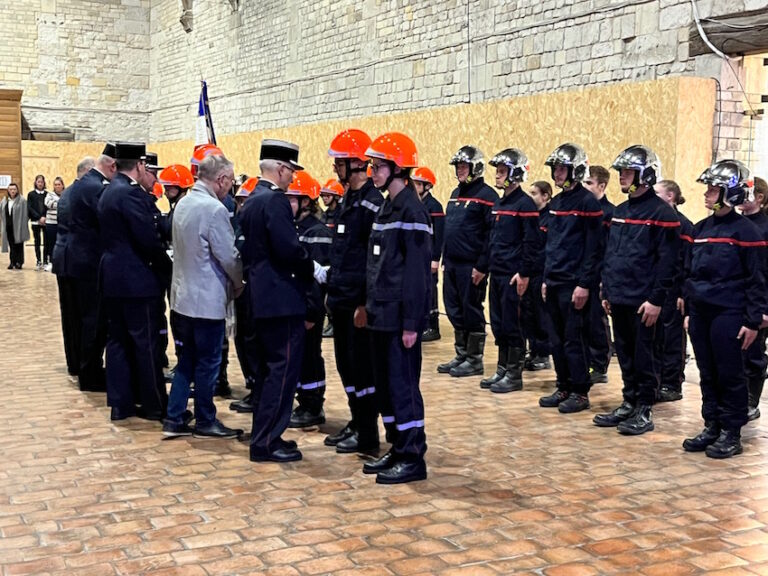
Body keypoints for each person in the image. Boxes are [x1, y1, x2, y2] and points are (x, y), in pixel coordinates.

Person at [683, 159, 767, 458]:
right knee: (707, 372)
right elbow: (691, 273)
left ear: (730, 193)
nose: (706, 193)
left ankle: (732, 431)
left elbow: (757, 280)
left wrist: (753, 321)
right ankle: (712, 425)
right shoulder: (701, 228)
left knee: (729, 373)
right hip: (702, 312)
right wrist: (690, 311)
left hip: (730, 313)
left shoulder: (747, 232)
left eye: (713, 188)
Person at [595, 146, 680, 435]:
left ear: (645, 175)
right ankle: (629, 401)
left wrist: (656, 300)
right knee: (626, 354)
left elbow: (667, 263)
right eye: (621, 172)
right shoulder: (620, 211)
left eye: (628, 172)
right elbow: (612, 254)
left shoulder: (662, 213)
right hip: (619, 296)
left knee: (646, 356)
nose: (622, 177)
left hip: (645, 301)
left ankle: (644, 408)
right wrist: (607, 291)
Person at [240, 139, 315, 463]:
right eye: (291, 172)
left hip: (260, 296)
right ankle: (266, 441)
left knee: (270, 371)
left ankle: (266, 435)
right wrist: (311, 264)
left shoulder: (252, 200)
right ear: (281, 169)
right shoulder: (275, 202)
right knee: (282, 372)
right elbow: (288, 249)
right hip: (281, 298)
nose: (292, 178)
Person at [362, 132, 431, 484]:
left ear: (398, 168)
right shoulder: (386, 206)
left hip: (398, 318)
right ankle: (396, 445)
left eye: (378, 166)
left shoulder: (412, 210)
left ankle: (412, 455)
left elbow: (417, 276)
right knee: (386, 388)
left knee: (403, 386)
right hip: (379, 313)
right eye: (372, 166)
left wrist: (411, 324)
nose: (372, 172)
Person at [163, 153, 244, 438]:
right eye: (231, 182)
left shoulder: (183, 203)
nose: (230, 187)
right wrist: (239, 283)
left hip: (182, 298)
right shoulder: (214, 209)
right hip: (206, 301)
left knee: (187, 359)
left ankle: (174, 416)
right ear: (221, 179)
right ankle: (206, 419)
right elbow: (228, 256)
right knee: (209, 362)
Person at [97, 142, 169, 421]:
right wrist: (168, 268)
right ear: (139, 165)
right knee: (145, 343)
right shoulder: (130, 195)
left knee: (117, 341)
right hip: (136, 280)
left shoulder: (109, 191)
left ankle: (120, 402)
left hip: (114, 278)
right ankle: (153, 404)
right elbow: (148, 240)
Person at [324, 129, 386, 454]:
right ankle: (356, 420)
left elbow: (371, 262)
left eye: (340, 162)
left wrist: (364, 303)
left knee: (362, 370)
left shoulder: (373, 204)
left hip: (358, 304)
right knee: (346, 367)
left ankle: (367, 429)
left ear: (356, 164)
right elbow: (341, 253)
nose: (335, 168)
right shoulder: (348, 198)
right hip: (341, 299)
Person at [538, 143, 603, 413]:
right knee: (555, 339)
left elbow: (594, 249)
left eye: (563, 169)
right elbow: (552, 244)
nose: (558, 174)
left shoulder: (587, 202)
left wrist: (584, 284)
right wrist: (544, 278)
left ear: (575, 170)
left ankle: (579, 390)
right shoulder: (557, 202)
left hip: (574, 284)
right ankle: (563, 384)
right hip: (553, 280)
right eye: (556, 169)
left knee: (573, 339)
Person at [480, 149, 540, 394]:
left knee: (512, 324)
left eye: (502, 172)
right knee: (498, 324)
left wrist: (524, 273)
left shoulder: (525, 204)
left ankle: (514, 374)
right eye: (497, 171)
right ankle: (502, 368)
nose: (497, 176)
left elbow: (532, 242)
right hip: (497, 272)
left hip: (513, 276)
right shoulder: (499, 202)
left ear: (515, 174)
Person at [438, 146, 497, 377]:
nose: (460, 171)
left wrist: (482, 266)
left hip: (472, 266)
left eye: (464, 167)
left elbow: (491, 235)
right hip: (452, 264)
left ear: (476, 168)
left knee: (471, 309)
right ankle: (461, 354)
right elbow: (450, 229)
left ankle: (474, 359)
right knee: (453, 309)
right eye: (458, 167)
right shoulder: (455, 193)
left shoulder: (487, 196)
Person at [67, 144, 117, 392]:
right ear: (111, 165)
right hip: (90, 263)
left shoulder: (84, 183)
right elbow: (107, 221)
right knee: (93, 321)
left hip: (81, 260)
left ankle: (90, 370)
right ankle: (91, 375)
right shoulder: (95, 187)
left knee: (88, 319)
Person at [287, 172, 334, 429]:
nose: (288, 204)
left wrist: (311, 313)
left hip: (309, 308)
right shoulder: (295, 229)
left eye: (292, 199)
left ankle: (313, 405)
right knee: (300, 357)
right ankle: (304, 401)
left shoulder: (317, 232)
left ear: (306, 201)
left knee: (310, 357)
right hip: (295, 305)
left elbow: (319, 279)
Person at [53, 157, 95, 377]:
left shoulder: (68, 192)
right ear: (87, 172)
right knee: (84, 315)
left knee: (69, 317)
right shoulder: (85, 193)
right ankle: (84, 363)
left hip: (63, 258)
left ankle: (74, 362)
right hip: (80, 261)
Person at [655, 179, 693, 402]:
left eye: (657, 193)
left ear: (670, 196)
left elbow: (686, 262)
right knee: (655, 337)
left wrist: (682, 293)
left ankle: (672, 383)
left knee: (672, 337)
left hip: (674, 290)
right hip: (656, 289)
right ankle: (657, 379)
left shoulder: (684, 225)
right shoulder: (656, 219)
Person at [737, 176, 768, 421]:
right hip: (734, 301)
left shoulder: (764, 227)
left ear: (759, 198)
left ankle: (751, 401)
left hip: (758, 303)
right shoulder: (735, 224)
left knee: (754, 353)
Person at [582, 165, 614, 384]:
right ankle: (585, 362)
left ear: (602, 186)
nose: (585, 187)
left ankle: (599, 366)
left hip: (599, 274)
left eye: (589, 183)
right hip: (582, 273)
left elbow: (608, 247)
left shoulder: (610, 212)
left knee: (596, 322)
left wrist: (604, 278)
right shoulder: (583, 208)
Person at [412, 167, 444, 342]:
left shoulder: (434, 206)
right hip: (418, 257)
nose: (414, 186)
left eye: (418, 184)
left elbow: (439, 235)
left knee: (430, 291)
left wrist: (435, 258)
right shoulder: (416, 205)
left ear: (427, 186)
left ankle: (433, 326)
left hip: (429, 257)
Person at [522, 181, 552, 370]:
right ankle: (533, 351)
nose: (530, 196)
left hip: (541, 273)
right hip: (528, 273)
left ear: (545, 196)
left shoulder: (550, 219)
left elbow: (547, 248)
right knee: (527, 314)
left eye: (534, 193)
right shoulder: (531, 217)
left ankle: (543, 354)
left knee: (541, 316)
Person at [318, 179, 345, 339]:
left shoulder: (341, 215)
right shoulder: (324, 215)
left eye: (328, 195)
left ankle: (334, 323)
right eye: (323, 195)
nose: (324, 198)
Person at [1, 183, 29, 269]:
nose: (12, 191)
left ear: (17, 190)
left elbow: (26, 214)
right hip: (8, 227)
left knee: (19, 245)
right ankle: (12, 262)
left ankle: (19, 262)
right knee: (11, 245)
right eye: (11, 189)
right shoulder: (4, 200)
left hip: (18, 227)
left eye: (14, 189)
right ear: (8, 190)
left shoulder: (22, 200)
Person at [43, 177, 65, 272]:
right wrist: (61, 203)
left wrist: (57, 203)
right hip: (51, 223)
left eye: (58, 184)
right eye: (55, 184)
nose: (57, 186)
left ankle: (61, 262)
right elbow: (48, 204)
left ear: (62, 185)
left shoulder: (66, 193)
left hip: (63, 223)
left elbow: (67, 204)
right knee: (51, 244)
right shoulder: (49, 194)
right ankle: (51, 262)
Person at [27, 174, 49, 270]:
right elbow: (30, 208)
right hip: (35, 221)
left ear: (44, 183)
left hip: (45, 221)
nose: (40, 183)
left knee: (46, 242)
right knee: (37, 241)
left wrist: (44, 217)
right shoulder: (31, 194)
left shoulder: (47, 194)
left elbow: (48, 207)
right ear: (35, 183)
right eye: (38, 181)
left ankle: (45, 261)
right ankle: (38, 260)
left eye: (42, 182)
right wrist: (38, 217)